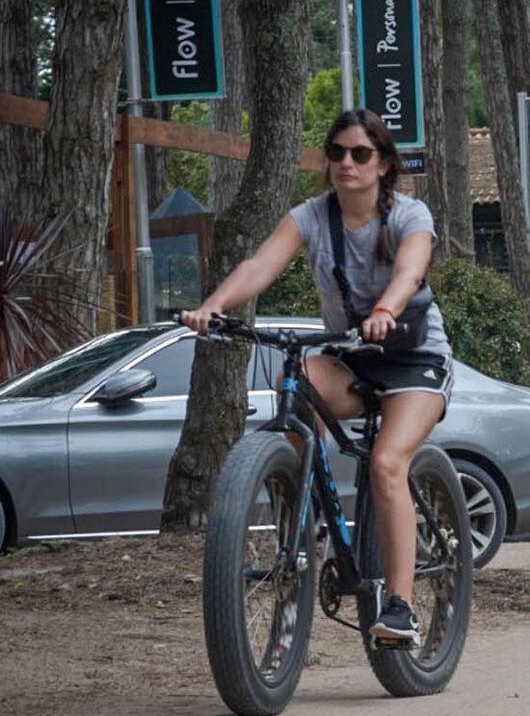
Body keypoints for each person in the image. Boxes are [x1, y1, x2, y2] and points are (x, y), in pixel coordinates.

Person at [181, 109, 452, 647]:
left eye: (360, 154)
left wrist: (385, 309)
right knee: (296, 381)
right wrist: (212, 306)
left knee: (386, 462)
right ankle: (304, 514)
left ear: (384, 164)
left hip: (413, 357)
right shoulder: (309, 216)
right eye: (336, 153)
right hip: (350, 357)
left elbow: (409, 270)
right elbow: (261, 265)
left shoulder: (408, 214)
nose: (346, 163)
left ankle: (399, 607)